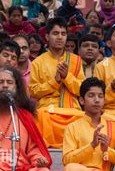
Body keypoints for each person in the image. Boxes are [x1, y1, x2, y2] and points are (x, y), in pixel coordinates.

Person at [29, 18, 85, 149]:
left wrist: (66, 77)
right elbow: (33, 91)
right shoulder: (38, 62)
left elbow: (82, 90)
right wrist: (55, 81)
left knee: (84, 118)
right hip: (48, 110)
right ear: (47, 36)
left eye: (63, 34)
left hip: (72, 110)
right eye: (55, 33)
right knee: (41, 116)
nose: (60, 37)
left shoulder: (76, 61)